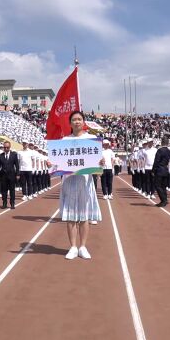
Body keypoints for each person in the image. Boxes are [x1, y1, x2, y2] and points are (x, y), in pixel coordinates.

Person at [60, 111, 102, 260]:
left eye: (79, 119)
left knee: (84, 216)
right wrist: (51, 164)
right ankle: (72, 247)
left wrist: (100, 163)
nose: (77, 121)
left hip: (85, 181)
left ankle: (83, 246)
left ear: (83, 122)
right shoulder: (64, 140)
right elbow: (58, 161)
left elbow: (97, 162)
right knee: (71, 216)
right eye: (74, 119)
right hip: (70, 181)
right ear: (70, 123)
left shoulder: (91, 139)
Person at [0, 141, 20, 209]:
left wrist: (18, 174)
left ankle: (12, 203)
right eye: (5, 147)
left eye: (7, 147)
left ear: (10, 147)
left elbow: (17, 165)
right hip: (3, 175)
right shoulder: (0, 155)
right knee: (4, 190)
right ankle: (4, 203)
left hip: (12, 175)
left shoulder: (14, 155)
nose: (6, 149)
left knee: (12, 190)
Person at [152, 136, 170, 207]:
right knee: (163, 186)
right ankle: (165, 199)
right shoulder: (169, 151)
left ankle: (163, 200)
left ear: (162, 142)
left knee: (157, 185)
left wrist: (153, 170)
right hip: (165, 169)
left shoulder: (160, 150)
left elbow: (156, 161)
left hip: (159, 170)